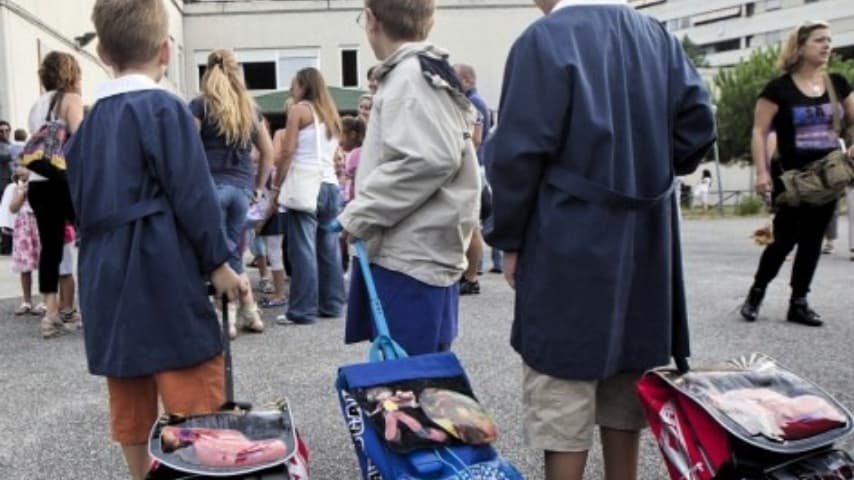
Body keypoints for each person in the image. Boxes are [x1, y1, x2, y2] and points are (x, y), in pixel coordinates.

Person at [484, 0, 715, 478]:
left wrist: (509, 238)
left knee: (563, 396)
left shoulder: (543, 39)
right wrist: (644, 166)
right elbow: (698, 127)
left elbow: (516, 156)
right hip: (644, 240)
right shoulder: (659, 38)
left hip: (566, 237)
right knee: (626, 389)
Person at [65, 1, 247, 479]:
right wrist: (220, 261)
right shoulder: (165, 109)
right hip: (160, 264)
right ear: (166, 50)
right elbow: (193, 193)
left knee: (129, 395)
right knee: (193, 384)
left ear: (102, 51)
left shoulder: (84, 129)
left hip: (104, 268)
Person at [339, 0, 480, 355]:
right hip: (418, 254)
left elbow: (427, 159)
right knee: (416, 384)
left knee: (409, 390)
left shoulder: (409, 76)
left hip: (409, 258)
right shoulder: (422, 72)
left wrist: (360, 215)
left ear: (371, 20)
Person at [740, 21, 854, 327]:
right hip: (791, 179)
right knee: (783, 239)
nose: (827, 46)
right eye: (819, 40)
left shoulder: (838, 84)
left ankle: (799, 302)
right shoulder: (779, 89)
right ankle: (756, 293)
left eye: (829, 40)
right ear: (800, 46)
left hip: (828, 178)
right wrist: (762, 172)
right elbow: (759, 131)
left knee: (813, 241)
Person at [190, 48, 274, 338]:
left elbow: (189, 149)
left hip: (210, 187)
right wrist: (258, 188)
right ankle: (248, 311)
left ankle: (228, 314)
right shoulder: (249, 108)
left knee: (216, 254)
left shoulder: (200, 105)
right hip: (241, 189)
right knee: (234, 250)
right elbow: (268, 152)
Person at [271, 67, 346, 324]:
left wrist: (276, 186)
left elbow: (287, 151)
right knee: (328, 247)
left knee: (302, 250)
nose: (291, 89)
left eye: (293, 83)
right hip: (330, 185)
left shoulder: (299, 110)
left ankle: (302, 311)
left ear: (303, 85)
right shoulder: (331, 114)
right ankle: (333, 303)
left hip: (305, 184)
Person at [26, 51, 84, 338]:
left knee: (50, 248)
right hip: (65, 179)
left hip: (38, 182)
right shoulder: (70, 100)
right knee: (89, 238)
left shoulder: (37, 105)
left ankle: (50, 314)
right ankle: (87, 305)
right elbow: (82, 138)